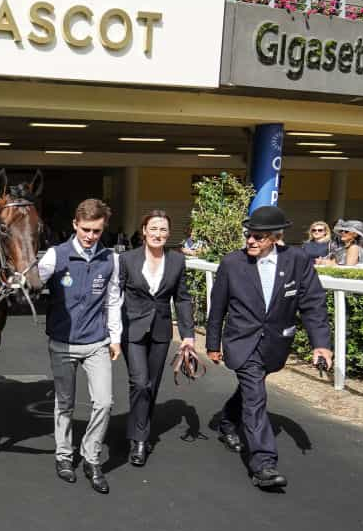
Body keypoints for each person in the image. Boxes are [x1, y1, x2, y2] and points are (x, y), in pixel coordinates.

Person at [206, 206, 332, 489]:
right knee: (256, 398)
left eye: (259, 237)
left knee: (252, 391)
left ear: (276, 237)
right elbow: (218, 308)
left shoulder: (297, 260)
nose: (251, 241)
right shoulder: (232, 263)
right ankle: (263, 464)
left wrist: (321, 344)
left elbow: (312, 303)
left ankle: (227, 421)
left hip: (275, 342)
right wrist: (212, 343)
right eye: (249, 235)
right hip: (241, 340)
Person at [38, 199, 122, 494]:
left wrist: (115, 338)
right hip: (62, 343)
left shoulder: (111, 259)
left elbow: (113, 300)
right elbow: (34, 280)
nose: (90, 236)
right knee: (65, 403)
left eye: (97, 231)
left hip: (96, 343)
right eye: (86, 229)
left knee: (105, 402)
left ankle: (91, 457)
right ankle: (63, 456)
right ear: (75, 224)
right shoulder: (55, 255)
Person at [119, 210, 195, 466]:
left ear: (168, 233)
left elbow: (182, 298)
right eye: (153, 228)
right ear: (143, 231)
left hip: (161, 330)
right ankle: (140, 440)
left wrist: (188, 335)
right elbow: (114, 296)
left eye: (163, 230)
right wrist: (110, 332)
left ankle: (138, 429)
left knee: (150, 386)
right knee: (139, 383)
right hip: (132, 330)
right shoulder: (127, 260)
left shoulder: (176, 261)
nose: (158, 234)